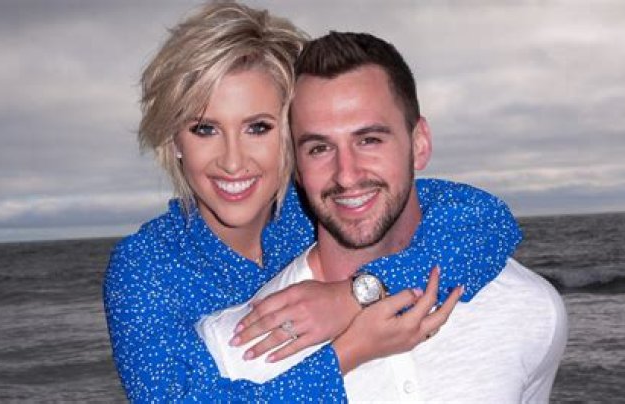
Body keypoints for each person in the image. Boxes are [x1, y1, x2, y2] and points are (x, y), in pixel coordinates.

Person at [103, 2, 522, 402]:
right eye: (205, 129)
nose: (232, 161)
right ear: (174, 139)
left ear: (291, 132)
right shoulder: (146, 267)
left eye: (258, 128)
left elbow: (485, 221)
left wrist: (353, 296)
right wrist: (350, 351)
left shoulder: (318, 208)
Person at [199, 31, 568, 402]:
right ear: (295, 166)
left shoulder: (531, 310)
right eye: (319, 148)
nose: (346, 175)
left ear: (419, 144)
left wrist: (355, 296)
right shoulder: (232, 352)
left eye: (369, 140)